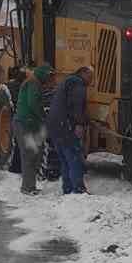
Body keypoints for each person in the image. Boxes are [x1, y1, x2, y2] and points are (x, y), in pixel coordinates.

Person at [45, 65, 93, 194]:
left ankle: (67, 189)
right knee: (74, 158)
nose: (91, 80)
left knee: (65, 160)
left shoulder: (66, 82)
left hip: (55, 126)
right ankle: (78, 189)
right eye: (90, 76)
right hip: (66, 126)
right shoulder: (77, 83)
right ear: (84, 73)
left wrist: (86, 120)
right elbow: (76, 105)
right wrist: (79, 124)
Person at [12, 63, 54, 195]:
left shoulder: (35, 83)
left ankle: (30, 185)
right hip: (25, 124)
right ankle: (27, 188)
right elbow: (33, 103)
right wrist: (43, 117)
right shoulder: (33, 83)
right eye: (49, 76)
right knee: (30, 155)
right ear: (43, 74)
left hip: (31, 124)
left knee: (36, 153)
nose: (50, 79)